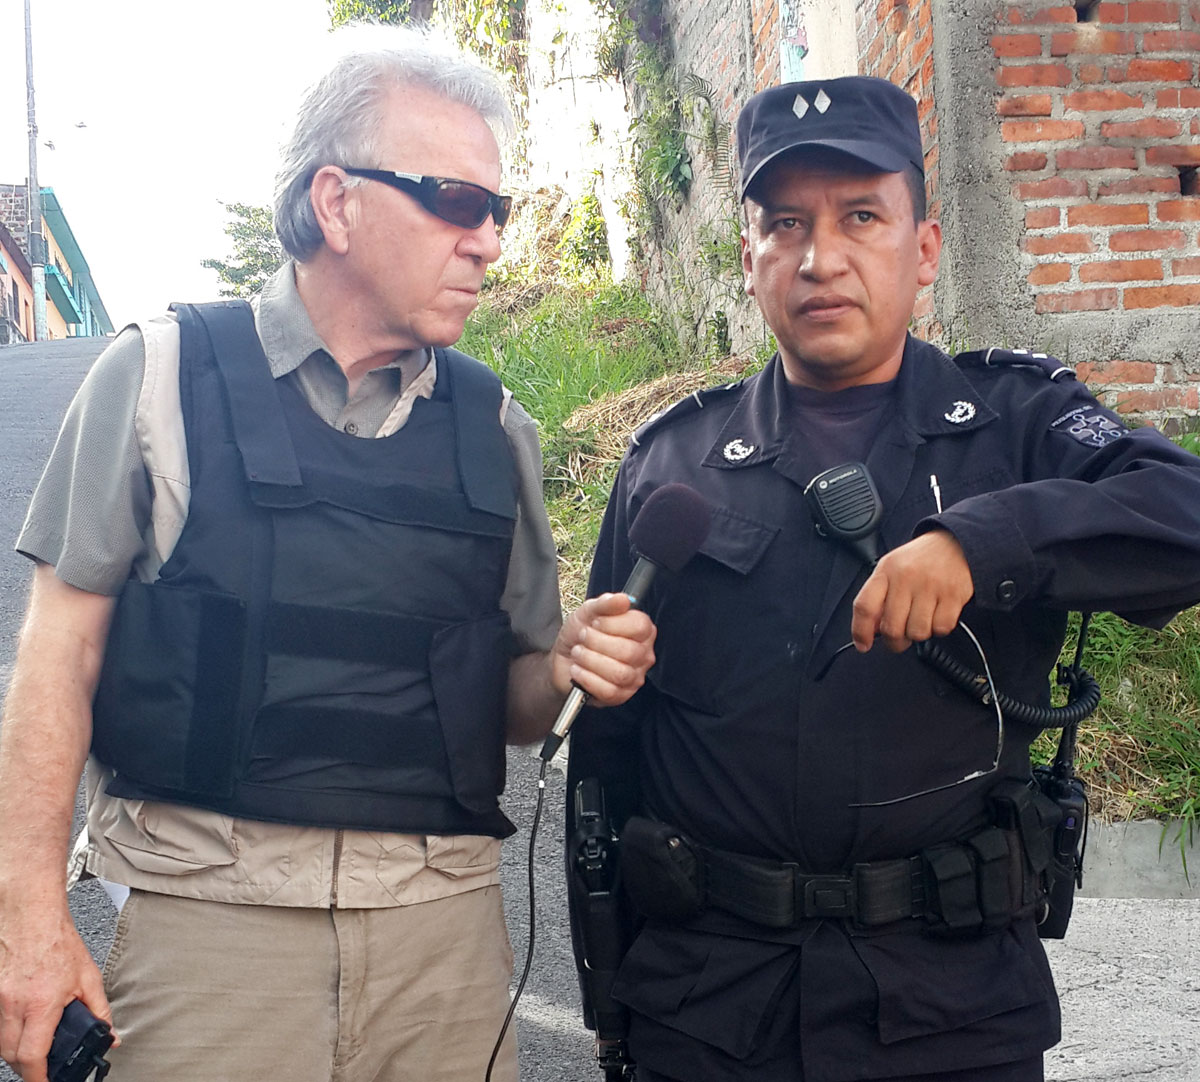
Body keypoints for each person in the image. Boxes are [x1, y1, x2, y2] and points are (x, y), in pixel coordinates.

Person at [0, 26, 656, 1082]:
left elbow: (516, 699)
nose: (489, 239)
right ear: (338, 200)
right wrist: (25, 919)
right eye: (456, 200)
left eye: (500, 209)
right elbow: (56, 660)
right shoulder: (156, 377)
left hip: (440, 952)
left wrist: (569, 663)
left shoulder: (497, 431)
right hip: (208, 933)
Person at [566, 75, 1200, 1082]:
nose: (822, 257)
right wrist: (613, 1005)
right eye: (786, 224)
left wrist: (982, 541)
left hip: (948, 1012)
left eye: (862, 215)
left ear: (926, 248)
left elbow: (1183, 512)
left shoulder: (1017, 422)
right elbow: (608, 759)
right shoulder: (669, 464)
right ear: (749, 256)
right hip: (710, 1010)